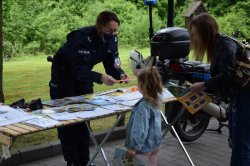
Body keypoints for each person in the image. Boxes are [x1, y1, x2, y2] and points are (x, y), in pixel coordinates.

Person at [49, 11, 129, 166]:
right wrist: (100, 77)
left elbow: (112, 61)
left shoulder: (112, 38)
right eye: (109, 30)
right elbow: (77, 69)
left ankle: (84, 161)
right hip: (64, 77)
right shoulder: (80, 38)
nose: (113, 33)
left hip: (84, 76)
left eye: (116, 30)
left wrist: (120, 74)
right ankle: (72, 161)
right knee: (68, 121)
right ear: (99, 26)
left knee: (84, 118)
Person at [189, 13, 250, 166]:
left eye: (195, 34)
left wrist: (203, 85)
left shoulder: (223, 43)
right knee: (235, 142)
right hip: (239, 96)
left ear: (205, 31)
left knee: (241, 144)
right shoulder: (218, 44)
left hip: (244, 96)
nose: (194, 38)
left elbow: (227, 75)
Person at [125, 67, 163, 166]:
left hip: (143, 146)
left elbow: (140, 128)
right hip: (155, 143)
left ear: (142, 86)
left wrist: (133, 147)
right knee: (152, 163)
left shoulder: (143, 106)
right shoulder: (156, 99)